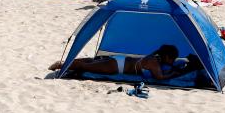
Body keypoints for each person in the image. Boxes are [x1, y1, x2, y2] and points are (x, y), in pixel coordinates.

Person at [50, 45, 188, 80]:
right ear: (167, 56)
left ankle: (65, 62)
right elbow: (160, 77)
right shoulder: (154, 62)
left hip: (119, 60)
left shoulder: (154, 57)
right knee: (87, 66)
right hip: (116, 66)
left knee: (91, 61)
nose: (172, 61)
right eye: (172, 58)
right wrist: (174, 74)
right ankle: (61, 65)